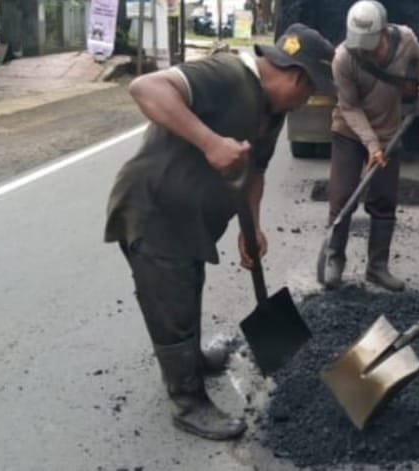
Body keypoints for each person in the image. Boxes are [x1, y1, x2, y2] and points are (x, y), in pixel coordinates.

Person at [104, 24, 334, 441]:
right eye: (309, 93)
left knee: (189, 286)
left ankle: (191, 359)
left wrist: (252, 226)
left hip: (190, 220)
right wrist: (210, 142)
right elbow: (146, 88)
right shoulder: (228, 75)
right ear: (298, 77)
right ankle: (187, 400)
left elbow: (255, 171)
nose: (304, 104)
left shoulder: (273, 112)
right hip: (153, 211)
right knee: (170, 302)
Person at [319, 0, 419, 291]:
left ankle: (377, 267)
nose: (365, 50)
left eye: (370, 43)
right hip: (349, 132)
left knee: (384, 200)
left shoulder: (406, 40)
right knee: (343, 197)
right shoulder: (343, 58)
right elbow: (349, 107)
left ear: (384, 32)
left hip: (388, 134)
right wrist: (371, 145)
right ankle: (335, 260)